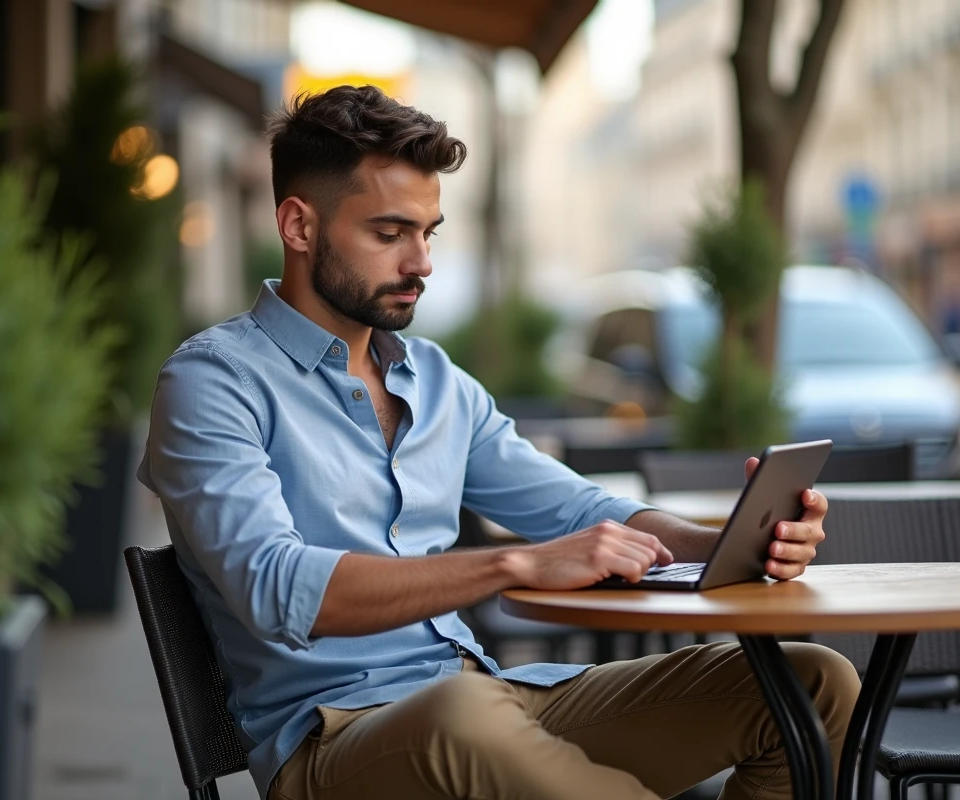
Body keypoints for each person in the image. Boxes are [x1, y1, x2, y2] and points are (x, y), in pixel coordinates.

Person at [137, 85, 859, 800]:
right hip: (334, 741)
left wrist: (730, 542)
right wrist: (515, 564)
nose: (419, 262)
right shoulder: (213, 383)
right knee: (462, 715)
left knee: (813, 683)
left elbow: (580, 512)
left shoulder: (438, 381)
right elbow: (275, 587)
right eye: (389, 234)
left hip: (493, 697)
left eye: (429, 233)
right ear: (299, 226)